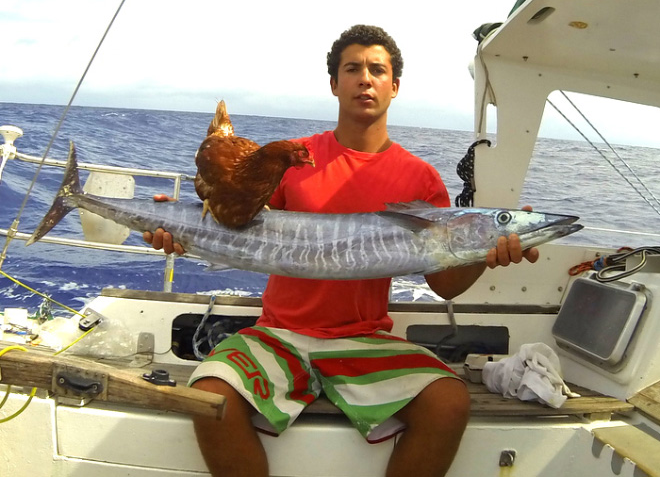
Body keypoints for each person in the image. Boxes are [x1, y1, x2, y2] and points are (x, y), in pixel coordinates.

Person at [144, 24, 538, 477]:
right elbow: (239, 224)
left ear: (394, 87)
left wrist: (486, 253)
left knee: (448, 404)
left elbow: (443, 283)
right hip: (280, 332)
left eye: (377, 70)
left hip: (364, 338)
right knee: (208, 397)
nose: (365, 79)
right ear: (334, 84)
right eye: (352, 69)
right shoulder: (295, 158)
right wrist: (179, 225)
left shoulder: (420, 178)